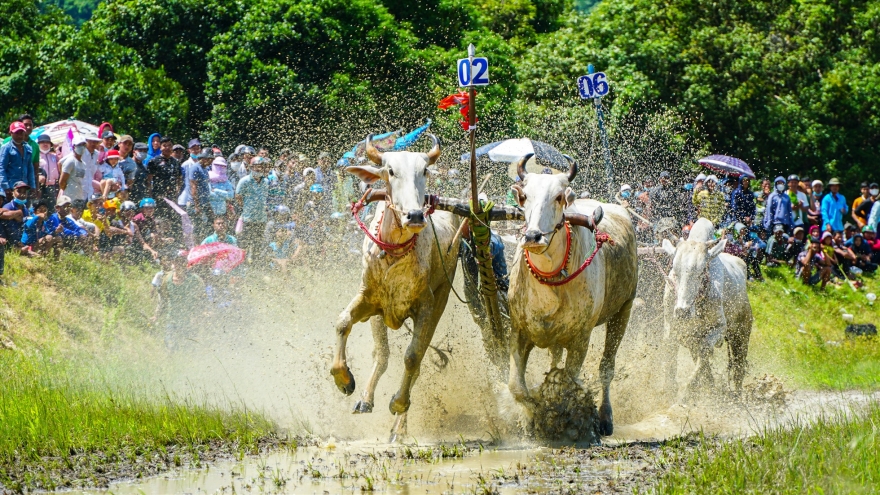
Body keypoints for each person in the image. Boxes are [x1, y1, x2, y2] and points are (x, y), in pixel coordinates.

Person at [153, 252, 206, 350]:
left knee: (187, 347)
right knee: (170, 345)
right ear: (173, 262)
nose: (179, 264)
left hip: (189, 320)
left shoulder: (195, 280)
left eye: (182, 261)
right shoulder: (167, 279)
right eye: (177, 261)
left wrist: (198, 316)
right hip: (172, 319)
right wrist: (157, 315)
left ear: (186, 263)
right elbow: (163, 299)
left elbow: (201, 300)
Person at [236, 157, 270, 261]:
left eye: (261, 167)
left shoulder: (266, 182)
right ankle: (242, 266)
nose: (259, 169)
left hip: (261, 219)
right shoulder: (244, 181)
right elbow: (238, 196)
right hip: (248, 219)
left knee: (258, 245)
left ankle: (256, 267)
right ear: (251, 167)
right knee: (245, 244)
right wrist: (247, 207)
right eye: (256, 167)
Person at [146, 137, 182, 222]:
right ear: (160, 147)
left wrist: (177, 190)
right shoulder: (154, 161)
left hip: (172, 196)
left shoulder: (175, 162)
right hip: (158, 196)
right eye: (164, 146)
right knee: (160, 220)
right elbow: (148, 180)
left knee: (173, 220)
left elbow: (179, 178)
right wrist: (150, 194)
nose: (167, 148)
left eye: (169, 145)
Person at [0, 121, 36, 198]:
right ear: (11, 133)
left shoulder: (28, 148)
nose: (19, 136)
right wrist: (5, 187)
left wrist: (33, 186)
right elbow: (1, 168)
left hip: (24, 187)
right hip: (10, 187)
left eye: (21, 133)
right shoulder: (6, 148)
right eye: (17, 133)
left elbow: (30, 168)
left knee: (23, 208)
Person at [188, 150, 214, 239]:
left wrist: (208, 204)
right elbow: (193, 187)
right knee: (197, 227)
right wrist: (196, 205)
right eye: (209, 159)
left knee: (208, 225)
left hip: (205, 202)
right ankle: (196, 248)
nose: (211, 161)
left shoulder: (205, 169)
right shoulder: (195, 168)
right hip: (196, 203)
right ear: (203, 158)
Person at [37, 134, 60, 206]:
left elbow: (62, 162)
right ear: (38, 144)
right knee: (39, 207)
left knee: (52, 207)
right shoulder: (36, 155)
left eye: (47, 142)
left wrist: (57, 150)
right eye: (42, 142)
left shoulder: (54, 156)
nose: (45, 144)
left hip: (52, 186)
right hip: (39, 186)